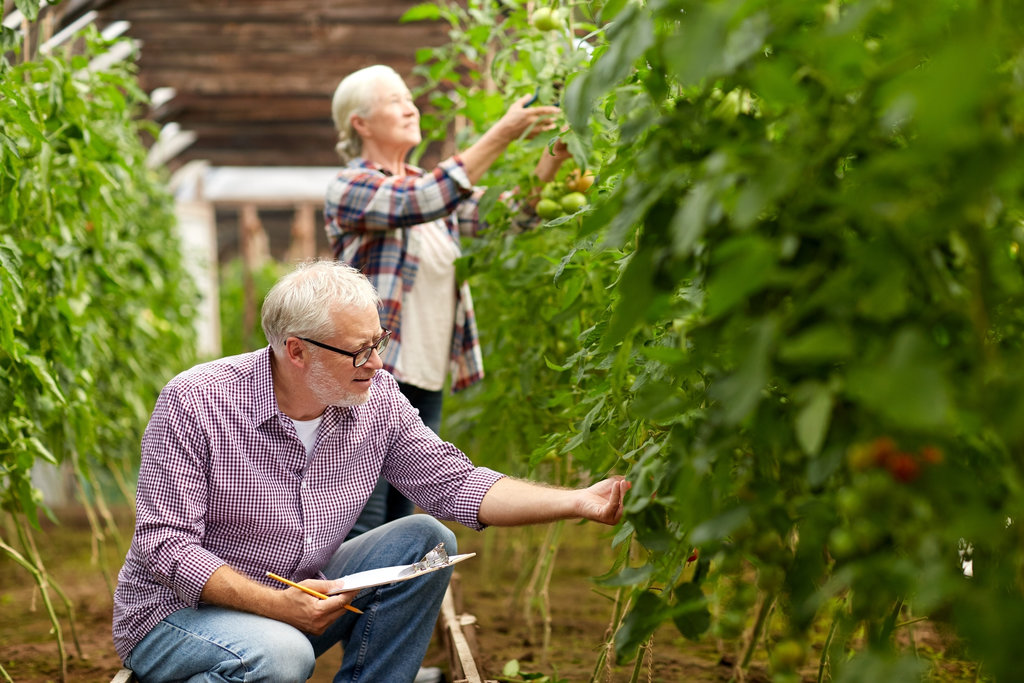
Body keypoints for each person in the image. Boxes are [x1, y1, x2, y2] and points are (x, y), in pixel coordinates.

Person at [112, 259, 630, 683]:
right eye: (359, 351)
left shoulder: (376, 399)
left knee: (428, 539)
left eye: (378, 342)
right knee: (283, 657)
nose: (377, 363)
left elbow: (455, 485)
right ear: (296, 350)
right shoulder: (196, 400)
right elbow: (166, 549)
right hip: (175, 618)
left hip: (299, 597)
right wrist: (279, 608)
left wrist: (580, 501)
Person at [325, 64, 571, 538]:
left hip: (424, 378)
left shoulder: (431, 192)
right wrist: (502, 132)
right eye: (395, 99)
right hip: (370, 377)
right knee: (361, 524)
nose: (410, 106)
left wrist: (554, 155)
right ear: (360, 123)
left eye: (409, 97)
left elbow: (510, 216)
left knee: (401, 526)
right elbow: (425, 196)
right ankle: (325, 613)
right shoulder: (352, 188)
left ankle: (384, 614)